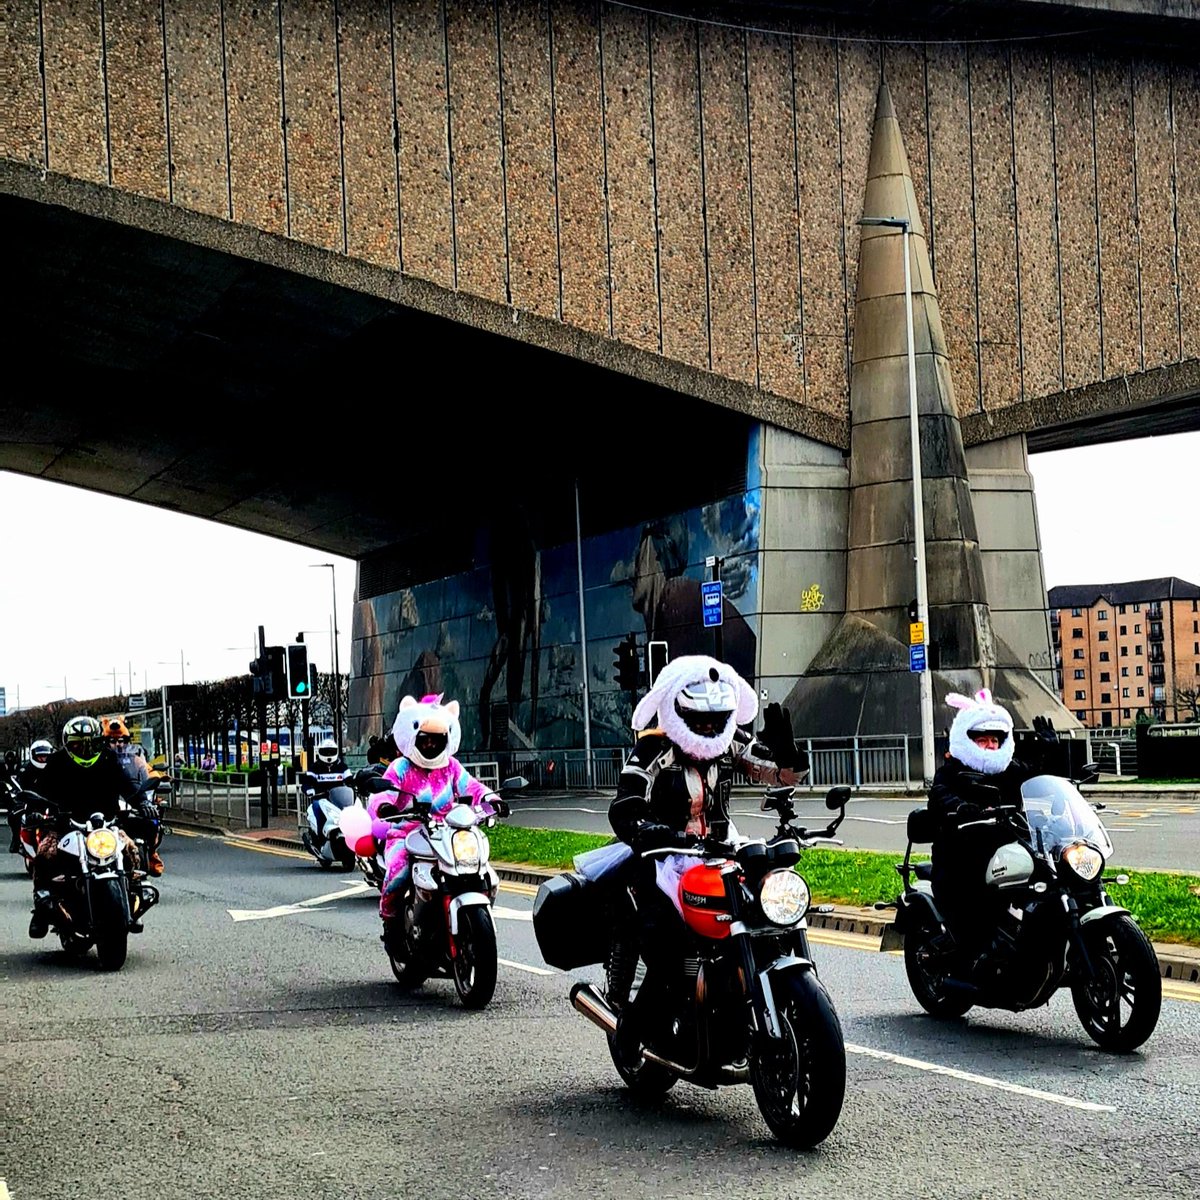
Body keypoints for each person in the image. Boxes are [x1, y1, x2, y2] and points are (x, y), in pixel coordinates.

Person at [607, 655, 805, 1054]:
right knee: (666, 948)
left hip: (719, 852)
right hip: (663, 858)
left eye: (718, 719)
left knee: (763, 916)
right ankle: (633, 1031)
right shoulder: (653, 748)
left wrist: (789, 756)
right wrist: (648, 828)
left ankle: (745, 1002)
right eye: (701, 720)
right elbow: (625, 803)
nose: (710, 727)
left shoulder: (730, 742)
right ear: (678, 711)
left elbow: (776, 774)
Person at [926, 689, 1055, 962]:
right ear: (968, 740)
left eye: (994, 740)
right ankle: (975, 956)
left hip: (1010, 845)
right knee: (973, 900)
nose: (990, 746)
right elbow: (939, 794)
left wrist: (1048, 751)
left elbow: (1037, 777)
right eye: (982, 740)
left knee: (1052, 877)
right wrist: (960, 807)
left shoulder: (1009, 770)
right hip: (962, 854)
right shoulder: (952, 771)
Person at [369, 695, 500, 948]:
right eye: (425, 739)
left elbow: (472, 787)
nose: (430, 744)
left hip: (448, 833)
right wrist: (385, 805)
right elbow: (383, 791)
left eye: (436, 740)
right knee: (398, 873)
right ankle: (391, 924)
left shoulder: (451, 767)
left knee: (478, 868)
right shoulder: (400, 767)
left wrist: (492, 799)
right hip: (407, 832)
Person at [27, 715, 143, 938]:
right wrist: (33, 810)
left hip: (107, 826)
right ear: (68, 744)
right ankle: (41, 909)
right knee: (44, 855)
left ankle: (133, 897)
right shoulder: (57, 762)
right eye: (77, 744)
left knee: (131, 850)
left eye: (90, 743)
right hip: (65, 826)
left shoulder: (108, 758)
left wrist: (144, 803)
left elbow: (127, 786)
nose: (84, 748)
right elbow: (40, 791)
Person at [102, 717, 164, 877]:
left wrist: (159, 779)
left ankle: (151, 854)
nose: (117, 744)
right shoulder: (101, 760)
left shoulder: (135, 759)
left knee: (151, 821)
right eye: (112, 741)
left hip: (131, 802)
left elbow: (148, 771)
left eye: (121, 741)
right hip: (108, 810)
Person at [7, 740, 54, 852]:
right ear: (33, 755)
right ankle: (16, 839)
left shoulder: (56, 769)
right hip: (30, 801)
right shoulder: (25, 769)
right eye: (40, 756)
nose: (43, 759)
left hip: (51, 801)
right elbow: (18, 785)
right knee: (14, 816)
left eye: (45, 756)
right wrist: (19, 794)